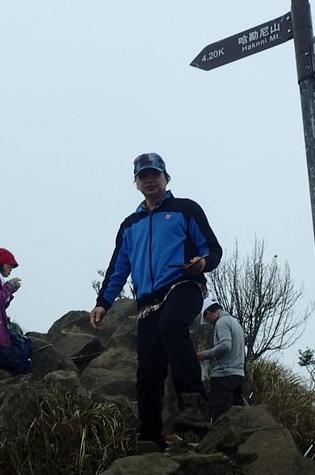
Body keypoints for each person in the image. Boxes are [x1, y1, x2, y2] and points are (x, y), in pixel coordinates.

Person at [90, 152, 222, 452]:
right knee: (148, 367)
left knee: (171, 324)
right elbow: (118, 269)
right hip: (148, 300)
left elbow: (212, 249)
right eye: (143, 176)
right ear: (136, 182)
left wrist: (202, 263)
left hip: (183, 284)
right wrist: (103, 303)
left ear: (166, 178)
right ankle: (149, 436)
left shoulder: (185, 209)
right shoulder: (130, 225)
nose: (149, 180)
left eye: (154, 174)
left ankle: (193, 401)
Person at [197, 298, 247, 421]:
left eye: (206, 319)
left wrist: (204, 354)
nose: (208, 322)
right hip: (238, 375)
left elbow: (225, 345)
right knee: (237, 416)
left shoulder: (221, 322)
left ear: (209, 313)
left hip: (224, 376)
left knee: (221, 416)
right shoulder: (235, 323)